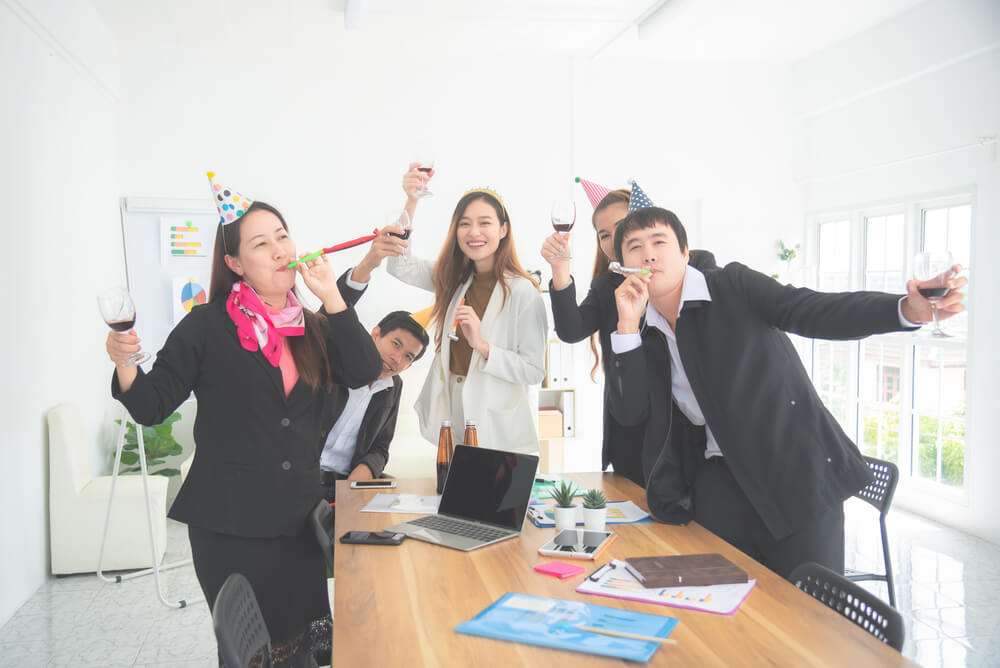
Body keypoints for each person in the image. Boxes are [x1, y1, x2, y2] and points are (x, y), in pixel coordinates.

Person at [607, 206, 967, 579]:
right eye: (634, 246)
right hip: (720, 484)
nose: (648, 253)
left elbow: (812, 309)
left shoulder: (732, 286)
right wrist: (627, 326)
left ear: (685, 252)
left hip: (796, 474)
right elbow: (631, 413)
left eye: (659, 241)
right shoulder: (641, 330)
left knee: (811, 617)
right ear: (622, 265)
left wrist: (904, 309)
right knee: (726, 607)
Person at [106, 178, 381, 665]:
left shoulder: (313, 328)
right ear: (235, 264)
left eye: (282, 235)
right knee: (253, 654)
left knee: (309, 649)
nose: (279, 250)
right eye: (260, 243)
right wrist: (126, 362)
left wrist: (332, 300)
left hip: (298, 524)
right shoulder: (207, 326)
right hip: (229, 526)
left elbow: (363, 370)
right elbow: (151, 405)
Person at [541, 180, 716, 485]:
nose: (612, 241)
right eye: (604, 235)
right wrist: (559, 270)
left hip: (683, 427)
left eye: (621, 228)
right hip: (630, 428)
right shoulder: (608, 286)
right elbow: (570, 331)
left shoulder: (695, 269)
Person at [377, 164, 548, 453]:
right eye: (465, 223)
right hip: (452, 403)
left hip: (495, 411)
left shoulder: (523, 291)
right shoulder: (453, 277)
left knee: (494, 495)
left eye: (485, 223)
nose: (474, 232)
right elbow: (400, 265)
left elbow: (533, 371)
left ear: (503, 229)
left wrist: (481, 344)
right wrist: (412, 201)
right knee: (452, 491)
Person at [318, 309, 429, 502]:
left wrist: (366, 469)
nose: (397, 358)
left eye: (408, 357)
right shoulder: (337, 359)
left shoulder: (393, 387)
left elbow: (381, 446)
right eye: (395, 344)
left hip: (345, 489)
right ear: (375, 334)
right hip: (299, 478)